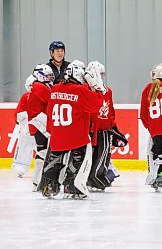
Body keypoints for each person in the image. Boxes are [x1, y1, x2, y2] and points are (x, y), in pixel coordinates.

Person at [40, 60, 106, 199]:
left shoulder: (55, 89)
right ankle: (73, 186)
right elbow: (97, 105)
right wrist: (97, 87)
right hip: (76, 136)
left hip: (57, 135)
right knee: (79, 158)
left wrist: (51, 130)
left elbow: (50, 111)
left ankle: (49, 184)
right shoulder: (80, 91)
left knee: (54, 158)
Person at [86, 61, 127, 191]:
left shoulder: (108, 90)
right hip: (90, 130)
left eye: (103, 74)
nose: (101, 76)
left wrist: (113, 126)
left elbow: (110, 110)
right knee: (89, 155)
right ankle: (89, 178)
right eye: (100, 74)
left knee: (103, 155)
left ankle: (98, 176)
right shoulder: (85, 89)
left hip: (104, 130)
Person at [16, 64, 54, 189]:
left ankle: (37, 181)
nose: (50, 78)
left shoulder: (37, 87)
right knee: (43, 151)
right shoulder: (40, 87)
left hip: (36, 122)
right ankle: (38, 180)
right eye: (48, 76)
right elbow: (51, 100)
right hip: (40, 122)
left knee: (42, 150)